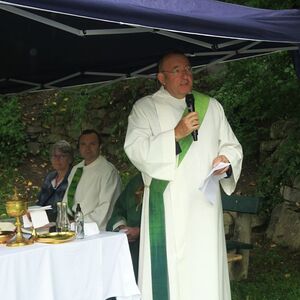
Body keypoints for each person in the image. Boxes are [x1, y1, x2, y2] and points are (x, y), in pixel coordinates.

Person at [124, 52, 243, 300]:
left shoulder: (210, 106)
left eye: (188, 69)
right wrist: (175, 134)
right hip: (167, 205)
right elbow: (135, 149)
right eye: (177, 70)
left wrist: (226, 161)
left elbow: (232, 146)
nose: (185, 75)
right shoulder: (145, 108)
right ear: (161, 78)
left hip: (204, 206)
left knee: (205, 268)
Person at [63, 129, 122, 231]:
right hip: (71, 227)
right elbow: (67, 200)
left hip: (95, 230)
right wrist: (65, 220)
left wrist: (79, 223)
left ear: (100, 146)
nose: (87, 148)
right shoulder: (76, 169)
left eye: (92, 144)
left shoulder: (108, 171)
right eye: (83, 144)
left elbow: (106, 207)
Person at [106, 173, 144, 281]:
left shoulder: (168, 179)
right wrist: (120, 226)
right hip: (130, 246)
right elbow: (119, 209)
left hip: (153, 246)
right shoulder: (136, 181)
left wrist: (140, 231)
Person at [37, 140, 73, 222]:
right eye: (54, 156)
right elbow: (40, 201)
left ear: (70, 159)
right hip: (43, 220)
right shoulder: (50, 177)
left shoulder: (73, 178)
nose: (57, 159)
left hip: (64, 221)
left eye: (62, 156)